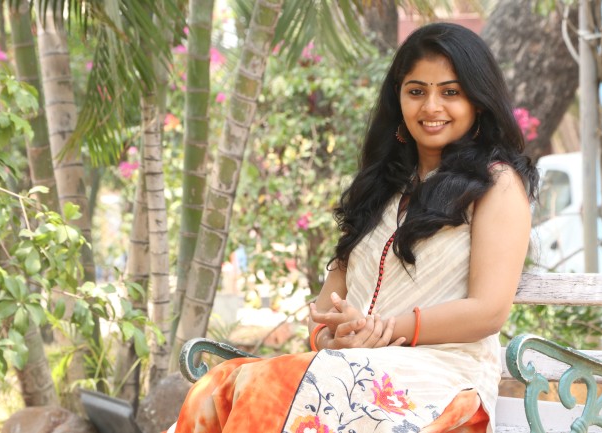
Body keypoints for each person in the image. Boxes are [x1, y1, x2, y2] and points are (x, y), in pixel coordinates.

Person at [169, 22, 538, 433]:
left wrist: (381, 331)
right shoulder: (381, 189)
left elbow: (488, 311)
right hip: (351, 366)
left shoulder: (496, 185)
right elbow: (326, 307)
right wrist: (333, 338)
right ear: (398, 99)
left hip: (442, 378)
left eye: (450, 92)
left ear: (479, 102)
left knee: (272, 384)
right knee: (217, 385)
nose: (431, 106)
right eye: (416, 91)